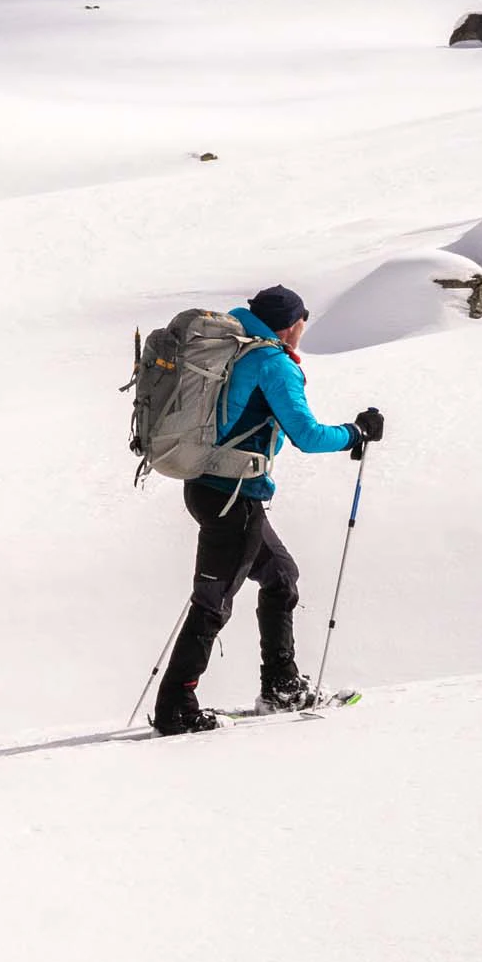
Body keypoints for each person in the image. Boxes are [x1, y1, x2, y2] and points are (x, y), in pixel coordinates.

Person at [154, 286, 382, 733]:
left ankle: (281, 685)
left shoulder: (237, 348)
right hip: (234, 496)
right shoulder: (272, 362)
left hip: (211, 488)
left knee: (280, 577)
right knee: (212, 604)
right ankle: (175, 708)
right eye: (302, 321)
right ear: (289, 323)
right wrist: (356, 433)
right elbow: (308, 435)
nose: (303, 328)